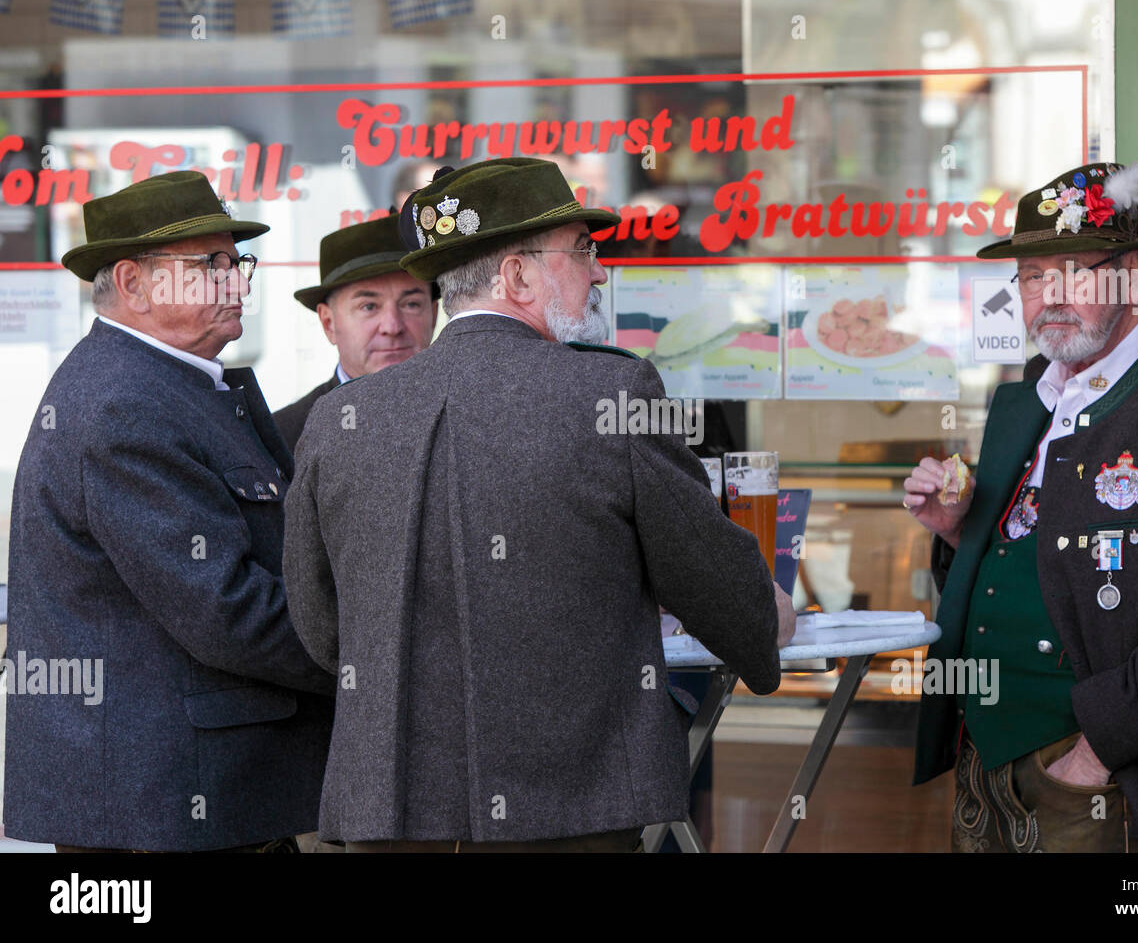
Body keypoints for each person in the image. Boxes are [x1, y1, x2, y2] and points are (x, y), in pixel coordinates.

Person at [283, 157, 795, 852]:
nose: (600, 271)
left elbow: (319, 627)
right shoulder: (609, 394)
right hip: (567, 806)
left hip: (391, 808)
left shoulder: (341, 418)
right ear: (517, 276)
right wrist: (765, 617)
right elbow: (705, 571)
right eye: (583, 251)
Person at [905, 153, 1138, 852]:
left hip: (1097, 776)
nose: (1051, 294)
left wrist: (1090, 760)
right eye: (1034, 276)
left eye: (1076, 271)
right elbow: (1026, 556)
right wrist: (958, 533)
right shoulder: (1023, 399)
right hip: (983, 758)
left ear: (1132, 275)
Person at [3, 171, 334, 852]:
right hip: (165, 811)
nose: (236, 283)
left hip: (192, 802)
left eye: (235, 263)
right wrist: (374, 653)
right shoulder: (127, 402)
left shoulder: (160, 385)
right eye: (207, 266)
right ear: (131, 284)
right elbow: (227, 611)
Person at [274, 214, 438, 452]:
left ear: (433, 314)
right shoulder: (286, 435)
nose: (392, 327)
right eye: (369, 307)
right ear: (329, 323)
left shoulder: (469, 414)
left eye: (411, 304)